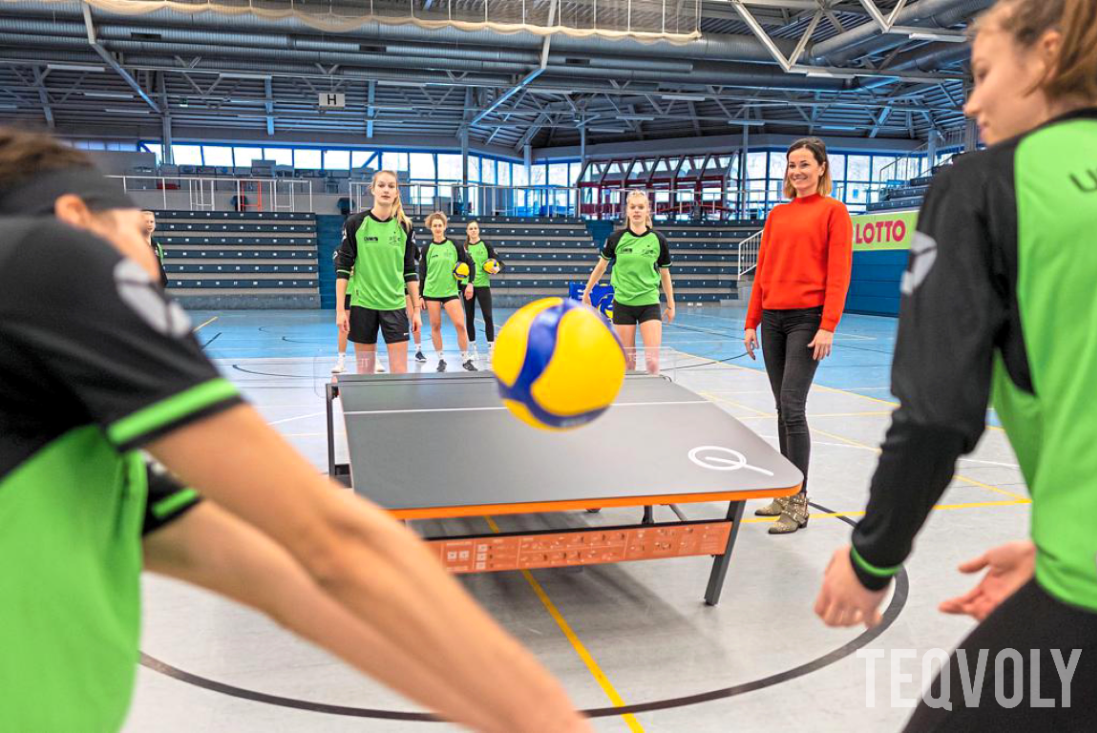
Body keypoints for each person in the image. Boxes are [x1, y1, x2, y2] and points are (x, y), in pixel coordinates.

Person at [0, 128, 589, 733]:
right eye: (136, 233)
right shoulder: (55, 258)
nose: (151, 265)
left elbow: (283, 582)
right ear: (74, 217)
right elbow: (331, 537)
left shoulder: (76, 455)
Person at [814, 0, 1097, 727]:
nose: (971, 104)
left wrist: (871, 559)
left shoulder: (986, 187)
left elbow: (938, 412)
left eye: (984, 73)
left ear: (1048, 55)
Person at [742, 138, 853, 535]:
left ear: (821, 168)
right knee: (781, 409)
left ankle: (799, 503)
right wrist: (751, 321)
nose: (797, 171)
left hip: (807, 320)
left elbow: (839, 273)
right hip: (772, 319)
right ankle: (786, 491)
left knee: (792, 407)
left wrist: (828, 325)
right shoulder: (778, 215)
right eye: (792, 165)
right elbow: (763, 270)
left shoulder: (834, 212)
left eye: (804, 164)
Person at [335, 170, 422, 375]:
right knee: (365, 373)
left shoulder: (405, 226)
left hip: (395, 306)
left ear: (396, 192)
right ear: (373, 189)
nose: (386, 190)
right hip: (363, 307)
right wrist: (340, 310)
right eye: (381, 185)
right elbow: (343, 269)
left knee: (400, 373)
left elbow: (410, 271)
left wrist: (416, 310)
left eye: (391, 186)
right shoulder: (355, 223)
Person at [580, 190, 675, 375]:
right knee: (627, 363)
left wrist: (671, 304)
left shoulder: (658, 240)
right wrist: (587, 291)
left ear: (647, 210)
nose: (637, 210)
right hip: (623, 305)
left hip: (649, 303)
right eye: (633, 207)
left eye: (641, 207)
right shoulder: (616, 238)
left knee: (653, 362)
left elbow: (665, 274)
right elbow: (601, 267)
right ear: (627, 211)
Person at [419, 211, 477, 372]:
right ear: (431, 228)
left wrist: (470, 284)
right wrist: (420, 295)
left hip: (451, 292)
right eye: (435, 226)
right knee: (435, 326)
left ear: (445, 227)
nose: (437, 228)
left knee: (460, 324)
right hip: (431, 293)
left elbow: (470, 264)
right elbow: (422, 273)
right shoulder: (426, 248)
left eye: (440, 225)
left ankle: (465, 359)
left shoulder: (455, 245)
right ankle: (441, 360)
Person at [463, 220, 503, 361]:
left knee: (488, 316)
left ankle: (491, 350)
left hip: (483, 285)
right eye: (471, 228)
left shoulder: (486, 245)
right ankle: (473, 350)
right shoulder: (464, 247)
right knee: (469, 317)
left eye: (475, 228)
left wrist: (496, 269)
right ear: (467, 231)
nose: (473, 230)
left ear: (478, 230)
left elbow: (499, 262)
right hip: (467, 285)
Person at [141, 209, 168, 289]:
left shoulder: (157, 245)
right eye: (146, 222)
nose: (149, 224)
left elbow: (161, 265)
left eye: (152, 222)